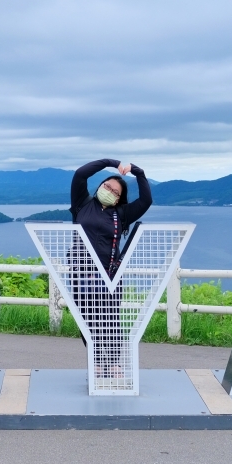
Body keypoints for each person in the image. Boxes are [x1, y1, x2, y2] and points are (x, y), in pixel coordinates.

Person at [69, 159, 153, 378]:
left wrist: (138, 172)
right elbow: (80, 174)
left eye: (114, 192)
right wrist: (111, 163)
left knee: (111, 318)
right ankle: (96, 360)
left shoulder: (122, 214)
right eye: (106, 186)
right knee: (87, 319)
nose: (109, 191)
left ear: (119, 199)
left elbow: (146, 201)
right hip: (81, 273)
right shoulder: (82, 203)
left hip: (110, 274)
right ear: (99, 186)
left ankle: (114, 362)